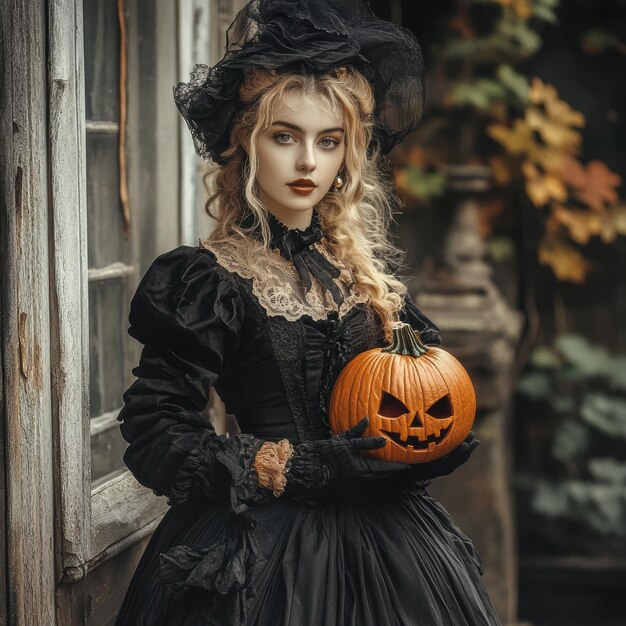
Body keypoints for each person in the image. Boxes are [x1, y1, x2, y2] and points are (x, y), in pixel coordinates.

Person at [115, 1, 501, 624]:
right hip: (262, 550)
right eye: (285, 136)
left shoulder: (360, 275)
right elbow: (157, 433)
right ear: (246, 138)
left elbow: (413, 386)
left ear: (348, 152)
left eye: (329, 142)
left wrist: (421, 449)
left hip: (390, 539)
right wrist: (291, 468)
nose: (307, 164)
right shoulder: (210, 281)